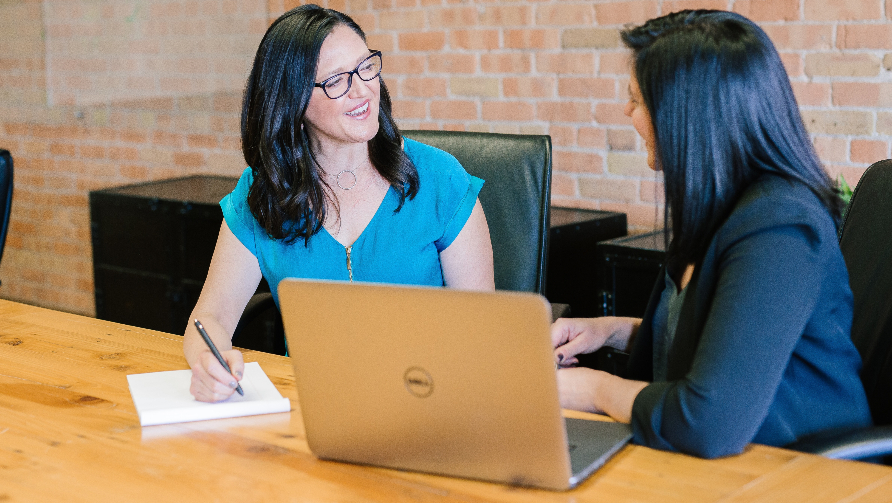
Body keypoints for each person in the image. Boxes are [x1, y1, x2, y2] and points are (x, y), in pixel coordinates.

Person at [551, 10, 872, 458]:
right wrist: (612, 331)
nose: (627, 112)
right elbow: (721, 335)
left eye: (637, 101)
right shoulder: (720, 206)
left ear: (686, 118)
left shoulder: (780, 227)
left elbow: (707, 422)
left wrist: (592, 389)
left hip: (798, 466)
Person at [184, 5, 494, 403]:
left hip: (428, 400)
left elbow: (482, 331)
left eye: (366, 67)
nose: (363, 89)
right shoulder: (263, 194)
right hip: (312, 406)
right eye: (336, 81)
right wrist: (207, 364)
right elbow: (208, 318)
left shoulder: (440, 180)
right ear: (293, 102)